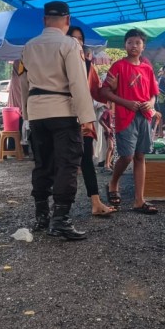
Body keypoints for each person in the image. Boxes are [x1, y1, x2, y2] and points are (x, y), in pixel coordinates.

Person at [20, 1, 96, 240]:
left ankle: (42, 216)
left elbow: (24, 83)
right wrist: (87, 118)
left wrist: (27, 114)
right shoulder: (69, 44)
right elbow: (78, 83)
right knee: (67, 164)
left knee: (43, 163)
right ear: (68, 20)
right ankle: (60, 220)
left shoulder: (29, 46)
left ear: (44, 20)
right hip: (62, 111)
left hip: (37, 112)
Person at [100, 29, 160, 214]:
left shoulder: (147, 68)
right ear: (125, 45)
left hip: (144, 117)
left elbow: (153, 95)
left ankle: (139, 200)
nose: (134, 46)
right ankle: (113, 183)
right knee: (126, 156)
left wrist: (149, 104)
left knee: (140, 156)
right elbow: (105, 91)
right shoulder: (118, 66)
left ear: (143, 46)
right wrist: (126, 103)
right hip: (125, 117)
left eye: (137, 42)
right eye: (130, 42)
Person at [67, 26, 116, 217]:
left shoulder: (88, 66)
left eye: (80, 39)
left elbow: (97, 91)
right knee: (63, 163)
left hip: (83, 121)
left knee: (86, 160)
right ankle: (58, 208)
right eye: (72, 38)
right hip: (62, 118)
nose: (77, 42)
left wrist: (111, 89)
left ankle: (95, 202)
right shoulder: (59, 62)